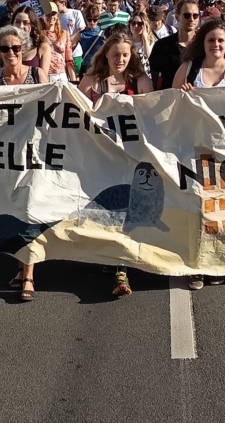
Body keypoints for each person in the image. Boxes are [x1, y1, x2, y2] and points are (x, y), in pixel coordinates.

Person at [172, 20, 225, 289]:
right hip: (194, 148)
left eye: (221, 40)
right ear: (203, 43)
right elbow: (168, 103)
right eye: (211, 40)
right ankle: (196, 266)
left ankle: (218, 261)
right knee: (197, 208)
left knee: (223, 208)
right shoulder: (189, 69)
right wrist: (181, 94)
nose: (215, 45)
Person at [78, 31, 154, 297]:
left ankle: (122, 267)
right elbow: (75, 111)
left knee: (126, 207)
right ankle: (111, 255)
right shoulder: (92, 81)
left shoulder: (140, 80)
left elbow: (151, 112)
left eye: (124, 55)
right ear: (106, 55)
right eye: (115, 55)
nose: (120, 59)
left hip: (131, 155)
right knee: (107, 208)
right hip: (101, 155)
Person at [0, 25, 49, 301]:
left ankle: (29, 275)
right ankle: (21, 265)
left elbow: (52, 107)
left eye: (15, 48)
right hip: (5, 157)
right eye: (4, 48)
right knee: (13, 213)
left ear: (23, 49)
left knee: (29, 209)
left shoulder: (37, 75)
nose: (10, 53)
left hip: (33, 154)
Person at [0, 6, 52, 84]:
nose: (21, 26)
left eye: (25, 23)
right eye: (17, 22)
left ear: (32, 25)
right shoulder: (3, 45)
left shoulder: (42, 47)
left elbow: (43, 81)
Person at [150, 0, 201, 89]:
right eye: (187, 15)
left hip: (197, 96)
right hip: (169, 95)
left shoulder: (204, 46)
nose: (191, 19)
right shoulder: (162, 45)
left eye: (195, 15)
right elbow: (153, 78)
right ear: (177, 17)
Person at [42, 9, 77, 83]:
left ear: (57, 15)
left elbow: (69, 59)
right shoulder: (39, 35)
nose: (51, 17)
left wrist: (73, 81)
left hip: (61, 75)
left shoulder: (64, 34)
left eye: (53, 14)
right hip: (46, 76)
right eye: (48, 14)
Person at [54, 0, 86, 74]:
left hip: (75, 52)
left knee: (76, 75)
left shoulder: (76, 13)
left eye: (57, 5)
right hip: (61, 53)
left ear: (63, 3)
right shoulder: (55, 16)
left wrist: (69, 38)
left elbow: (82, 29)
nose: (56, 8)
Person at [77, 5, 106, 75]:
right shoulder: (81, 34)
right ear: (85, 18)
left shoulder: (103, 33)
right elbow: (71, 49)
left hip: (100, 66)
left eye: (95, 20)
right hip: (86, 66)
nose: (92, 22)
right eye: (89, 19)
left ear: (98, 19)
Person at [128, 13, 156, 77]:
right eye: (133, 23)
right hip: (129, 75)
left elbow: (149, 58)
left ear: (145, 26)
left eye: (140, 24)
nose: (136, 26)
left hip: (144, 76)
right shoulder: (125, 41)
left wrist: (145, 39)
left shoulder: (151, 42)